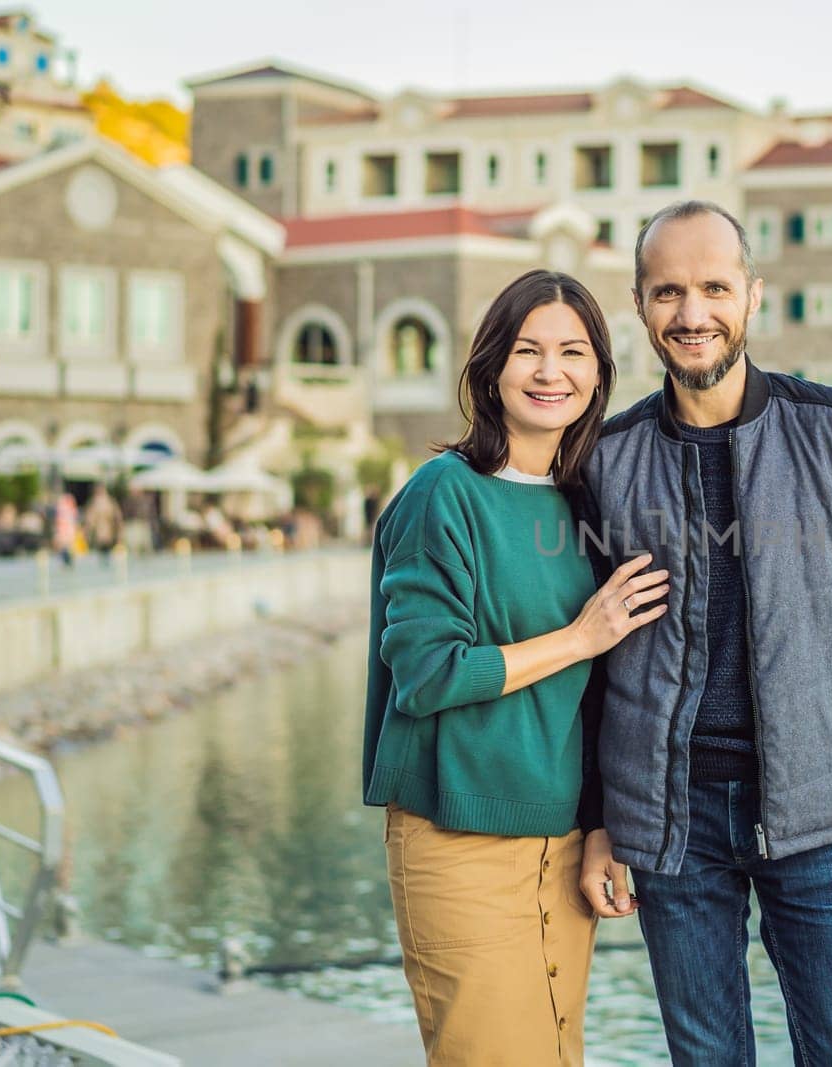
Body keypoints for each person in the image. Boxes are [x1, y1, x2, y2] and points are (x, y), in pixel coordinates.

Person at [576, 202, 832, 1065]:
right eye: (668, 292)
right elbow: (587, 667)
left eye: (713, 288)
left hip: (825, 808)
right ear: (639, 304)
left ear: (753, 296)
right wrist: (595, 820)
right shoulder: (606, 458)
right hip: (670, 822)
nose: (692, 313)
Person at [362, 270, 668, 1066]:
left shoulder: (590, 500)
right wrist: (579, 635)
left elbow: (606, 696)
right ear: (492, 367)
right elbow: (427, 673)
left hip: (563, 846)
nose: (549, 370)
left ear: (598, 372)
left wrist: (602, 826)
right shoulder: (445, 493)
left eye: (572, 352)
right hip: (456, 838)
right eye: (528, 350)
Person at [83, 484, 123, 564]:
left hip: (107, 534)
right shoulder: (96, 502)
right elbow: (90, 520)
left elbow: (117, 518)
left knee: (106, 555)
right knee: (102, 555)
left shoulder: (108, 502)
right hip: (100, 534)